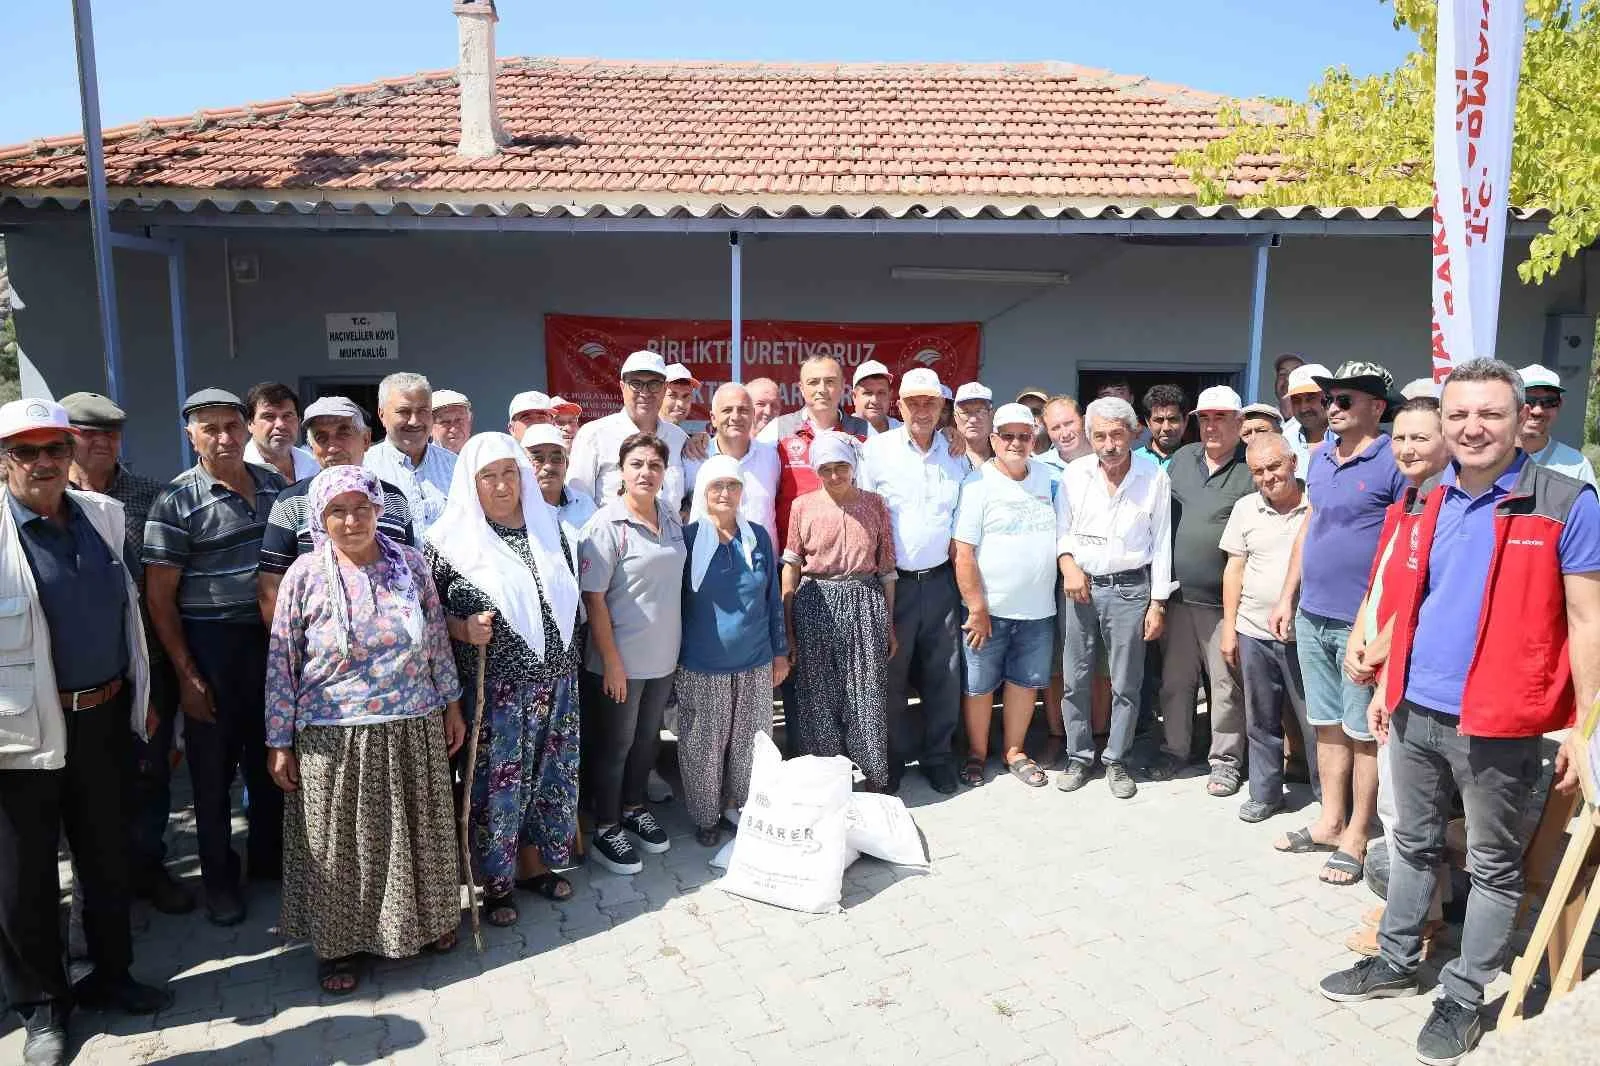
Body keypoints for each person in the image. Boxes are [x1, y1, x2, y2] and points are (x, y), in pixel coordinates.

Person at [1319, 359, 1600, 1066]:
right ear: (1443, 424)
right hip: (1415, 708)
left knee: (1493, 865)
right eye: (1460, 415)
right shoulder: (1424, 501)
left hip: (1502, 721)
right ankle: (1393, 960)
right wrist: (1387, 685)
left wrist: (1585, 726)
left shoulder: (1567, 504)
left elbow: (1588, 620)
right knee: (1413, 844)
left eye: (1491, 414)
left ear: (1518, 423)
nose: (1473, 427)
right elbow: (1411, 605)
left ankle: (1464, 995)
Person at [0, 400, 171, 1066]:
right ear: (5, 461)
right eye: (25, 452)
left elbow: (129, 619)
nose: (43, 463)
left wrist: (142, 700)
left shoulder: (102, 516)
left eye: (53, 449)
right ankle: (43, 1006)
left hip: (104, 717)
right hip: (20, 732)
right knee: (24, 879)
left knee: (106, 858)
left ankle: (111, 975)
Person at [265, 466, 467, 994]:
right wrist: (279, 740)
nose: (351, 520)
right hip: (334, 734)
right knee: (341, 846)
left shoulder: (411, 565)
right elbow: (282, 660)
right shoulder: (304, 575)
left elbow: (436, 642)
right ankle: (339, 947)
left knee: (415, 833)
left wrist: (451, 704)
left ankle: (424, 924)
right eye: (337, 511)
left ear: (379, 510)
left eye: (362, 508)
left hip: (412, 723)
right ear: (320, 517)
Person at [144, 388, 286, 926]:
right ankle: (220, 882)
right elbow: (159, 598)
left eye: (232, 425)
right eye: (210, 428)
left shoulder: (275, 487)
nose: (224, 437)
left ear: (247, 426)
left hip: (270, 643)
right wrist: (187, 673)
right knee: (210, 775)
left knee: (270, 758)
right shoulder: (176, 501)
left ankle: (269, 862)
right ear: (191, 435)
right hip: (211, 645)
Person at [429, 433, 584, 919]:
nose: (501, 486)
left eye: (509, 473)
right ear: (470, 484)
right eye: (488, 476)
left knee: (549, 777)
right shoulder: (448, 541)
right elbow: (430, 619)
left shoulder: (552, 529)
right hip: (496, 693)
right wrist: (461, 627)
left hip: (556, 683)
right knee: (498, 787)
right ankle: (496, 884)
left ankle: (537, 865)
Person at [1270, 361, 1408, 887]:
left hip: (1363, 625)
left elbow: (1405, 546)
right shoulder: (1320, 457)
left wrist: (1385, 627)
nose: (1331, 406)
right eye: (1329, 398)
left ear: (1376, 407)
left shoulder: (1393, 460)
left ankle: (1357, 830)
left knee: (1362, 732)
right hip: (1313, 614)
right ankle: (1329, 820)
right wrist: (1288, 594)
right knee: (1326, 723)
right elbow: (1312, 522)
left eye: (1345, 399)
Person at [59, 392, 190, 915]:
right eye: (90, 434)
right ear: (67, 438)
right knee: (84, 783)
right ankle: (99, 884)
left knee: (150, 770)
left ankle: (147, 867)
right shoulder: (43, 497)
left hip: (147, 660)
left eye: (111, 433)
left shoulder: (152, 496)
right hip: (73, 669)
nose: (103, 443)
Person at [1338, 396, 1451, 959]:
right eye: (1400, 438)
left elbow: (1426, 601)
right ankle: (1414, 906)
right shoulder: (1404, 500)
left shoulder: (1448, 508)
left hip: (1408, 673)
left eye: (1421, 438)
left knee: (1410, 812)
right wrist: (1361, 638)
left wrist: (1379, 651)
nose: (1407, 449)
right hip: (1383, 664)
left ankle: (1419, 922)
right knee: (1397, 805)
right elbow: (1381, 582)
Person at [578, 433, 688, 875]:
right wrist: (613, 663)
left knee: (648, 741)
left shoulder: (670, 518)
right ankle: (606, 827)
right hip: (619, 662)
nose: (646, 473)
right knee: (616, 745)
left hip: (662, 657)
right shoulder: (605, 526)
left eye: (655, 466)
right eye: (637, 464)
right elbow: (595, 600)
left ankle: (632, 808)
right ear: (621, 471)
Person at [1053, 397, 1172, 799]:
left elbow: (1162, 543)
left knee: (1126, 682)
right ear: (1090, 436)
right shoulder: (1075, 474)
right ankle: (1078, 756)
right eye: (1100, 435)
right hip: (1081, 586)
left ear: (1133, 433)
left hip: (1130, 589)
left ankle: (1116, 760)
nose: (1109, 444)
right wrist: (1069, 565)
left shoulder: (1153, 476)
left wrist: (1157, 602)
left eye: (1117, 434)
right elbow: (1062, 530)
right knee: (1076, 678)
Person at [859, 367, 969, 794]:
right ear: (899, 405)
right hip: (893, 584)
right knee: (890, 675)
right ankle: (890, 759)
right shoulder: (877, 451)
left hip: (942, 583)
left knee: (943, 672)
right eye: (913, 402)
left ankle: (939, 756)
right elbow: (867, 520)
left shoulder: (955, 455)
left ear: (942, 407)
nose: (922, 410)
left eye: (931, 402)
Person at [677, 457, 789, 846]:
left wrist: (780, 652)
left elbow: (772, 598)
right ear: (703, 491)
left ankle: (741, 805)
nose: (725, 494)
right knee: (705, 743)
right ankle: (705, 816)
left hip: (755, 661)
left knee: (751, 741)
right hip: (703, 663)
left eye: (733, 485)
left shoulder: (757, 536)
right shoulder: (686, 540)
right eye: (716, 486)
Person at [952, 404, 1062, 789]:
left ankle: (1014, 751)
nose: (1016, 443)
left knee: (1024, 682)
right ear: (994, 440)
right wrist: (977, 607)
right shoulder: (977, 484)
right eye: (1008, 436)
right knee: (980, 686)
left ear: (1034, 439)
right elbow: (962, 552)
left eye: (1024, 436)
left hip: (1038, 610)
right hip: (989, 612)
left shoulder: (1048, 477)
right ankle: (977, 754)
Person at [1151, 386, 1254, 797]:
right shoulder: (1182, 459)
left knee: (1226, 685)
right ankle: (1175, 749)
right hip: (1177, 597)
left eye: (1221, 418)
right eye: (1205, 418)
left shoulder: (1250, 468)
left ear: (1239, 424)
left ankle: (1225, 761)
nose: (1211, 427)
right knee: (1176, 682)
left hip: (1223, 602)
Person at [781, 432, 897, 789]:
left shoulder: (875, 504)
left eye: (841, 467)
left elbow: (887, 569)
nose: (834, 476)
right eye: (826, 469)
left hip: (865, 599)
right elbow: (792, 564)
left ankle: (870, 780)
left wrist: (889, 624)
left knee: (866, 692)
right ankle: (826, 783)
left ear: (853, 465)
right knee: (818, 695)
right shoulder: (803, 506)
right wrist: (788, 626)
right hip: (816, 601)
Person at [1219, 433, 1313, 822]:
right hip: (1254, 630)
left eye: (1274, 466)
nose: (1268, 477)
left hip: (1306, 634)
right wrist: (1229, 628)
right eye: (1258, 471)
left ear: (1292, 461)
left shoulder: (1317, 504)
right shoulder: (1245, 508)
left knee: (1316, 724)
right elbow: (1234, 569)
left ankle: (1330, 801)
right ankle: (1265, 792)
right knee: (1261, 719)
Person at [259, 396, 416, 623]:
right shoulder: (291, 502)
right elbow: (271, 587)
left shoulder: (393, 499)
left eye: (343, 433)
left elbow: (410, 569)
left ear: (366, 439)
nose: (333, 446)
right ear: (312, 448)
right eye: (321, 438)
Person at [759, 355, 870, 551]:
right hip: (792, 561)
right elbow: (746, 464)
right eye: (813, 382)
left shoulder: (866, 432)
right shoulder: (777, 430)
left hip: (849, 561)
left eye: (830, 382)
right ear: (801, 388)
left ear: (843, 386)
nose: (821, 389)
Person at [567, 350, 689, 510]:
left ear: (665, 388)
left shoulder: (679, 439)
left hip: (668, 535)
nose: (645, 393)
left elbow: (694, 495)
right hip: (609, 534)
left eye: (654, 384)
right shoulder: (593, 435)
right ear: (622, 387)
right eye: (636, 384)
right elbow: (577, 503)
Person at [363, 372, 457, 536]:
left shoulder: (455, 466)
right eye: (404, 411)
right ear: (382, 415)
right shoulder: (364, 468)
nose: (414, 421)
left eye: (422, 410)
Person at [689, 383, 780, 548]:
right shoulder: (695, 457)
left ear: (753, 415)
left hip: (762, 567)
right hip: (709, 567)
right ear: (713, 418)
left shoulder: (772, 457)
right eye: (727, 410)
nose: (736, 417)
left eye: (743, 410)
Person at [1517, 363, 1596, 485]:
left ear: (1559, 405)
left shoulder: (1577, 465)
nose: (1537, 411)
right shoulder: (1490, 457)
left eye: (1549, 402)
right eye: (1528, 401)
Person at [522, 424, 597, 545]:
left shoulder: (585, 505)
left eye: (556, 459)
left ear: (567, 464)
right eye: (538, 459)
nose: (548, 466)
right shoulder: (516, 510)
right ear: (522, 464)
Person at [243, 382, 319, 484]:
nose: (280, 424)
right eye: (269, 416)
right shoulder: (238, 469)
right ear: (250, 424)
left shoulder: (313, 464)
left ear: (298, 421)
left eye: (287, 416)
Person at [1283, 363, 1332, 466]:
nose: (1304, 408)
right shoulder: (1285, 440)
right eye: (1296, 400)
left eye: (1311, 398)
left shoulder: (1350, 436)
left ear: (1329, 397)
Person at [1134, 384, 1186, 468]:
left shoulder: (1198, 461)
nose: (1166, 428)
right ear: (1148, 422)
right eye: (1159, 420)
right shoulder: (1133, 460)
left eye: (1172, 419)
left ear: (1185, 420)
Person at [851, 360, 901, 437]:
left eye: (881, 393)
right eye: (868, 393)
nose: (875, 400)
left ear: (890, 396)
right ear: (854, 397)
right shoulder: (840, 434)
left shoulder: (903, 432)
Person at [952, 383, 995, 464]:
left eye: (980, 411)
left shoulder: (1003, 453)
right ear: (955, 417)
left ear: (991, 415)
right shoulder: (944, 452)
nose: (973, 419)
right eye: (966, 412)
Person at [429, 389, 473, 454]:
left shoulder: (484, 459)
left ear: (469, 422)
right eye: (445, 422)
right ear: (429, 427)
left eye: (459, 420)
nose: (454, 429)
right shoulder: (418, 461)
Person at [1015, 387, 1050, 453]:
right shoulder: (1009, 454)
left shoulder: (1065, 450)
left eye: (1036, 412)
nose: (1030, 417)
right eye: (1024, 413)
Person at [1274, 353, 1305, 421]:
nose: (1287, 378)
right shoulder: (1266, 418)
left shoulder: (1314, 423)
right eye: (1282, 374)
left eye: (1295, 373)